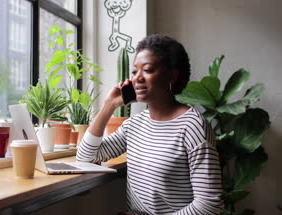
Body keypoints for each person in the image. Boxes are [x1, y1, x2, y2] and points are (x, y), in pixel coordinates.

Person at [76, 34, 223, 215]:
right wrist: (109, 105)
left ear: (172, 76)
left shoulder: (193, 127)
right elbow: (86, 157)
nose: (137, 78)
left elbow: (209, 205)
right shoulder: (135, 125)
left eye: (147, 70)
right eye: (134, 72)